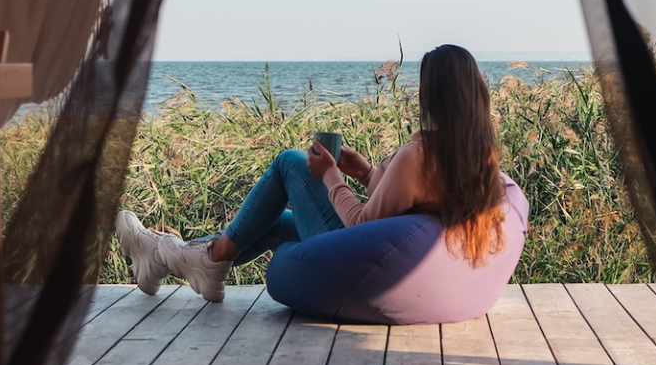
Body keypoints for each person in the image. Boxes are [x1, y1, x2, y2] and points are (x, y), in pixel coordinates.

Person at [115, 44, 513, 302]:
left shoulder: (419, 156)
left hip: (356, 256)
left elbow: (362, 223)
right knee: (273, 222)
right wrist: (366, 173)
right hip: (389, 259)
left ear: (433, 97)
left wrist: (330, 176)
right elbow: (405, 208)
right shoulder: (477, 158)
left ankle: (184, 255)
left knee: (289, 161)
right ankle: (173, 257)